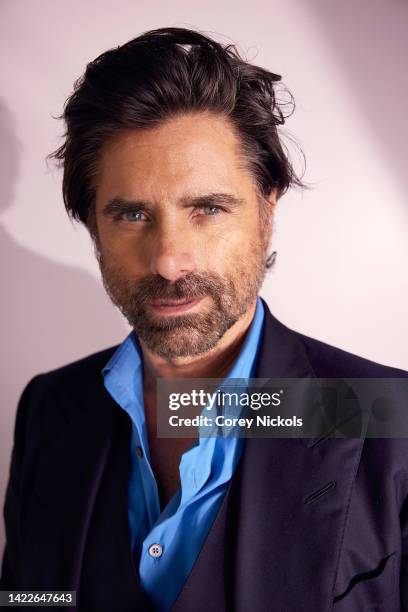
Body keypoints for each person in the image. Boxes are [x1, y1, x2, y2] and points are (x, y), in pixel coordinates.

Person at [1, 27, 407, 612]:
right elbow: (29, 599)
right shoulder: (49, 408)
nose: (168, 260)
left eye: (209, 209)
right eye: (133, 214)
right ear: (93, 226)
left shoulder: (388, 416)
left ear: (268, 210)